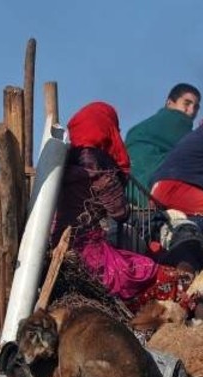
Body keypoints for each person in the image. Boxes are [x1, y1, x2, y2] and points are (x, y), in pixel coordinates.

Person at [51, 102, 158, 300]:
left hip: (54, 244)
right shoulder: (98, 163)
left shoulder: (62, 157)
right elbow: (119, 212)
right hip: (88, 255)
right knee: (149, 269)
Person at [125, 83, 200, 199]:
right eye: (186, 104)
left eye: (196, 107)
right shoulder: (175, 124)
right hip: (150, 189)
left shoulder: (139, 127)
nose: (191, 111)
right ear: (169, 103)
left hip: (129, 190)